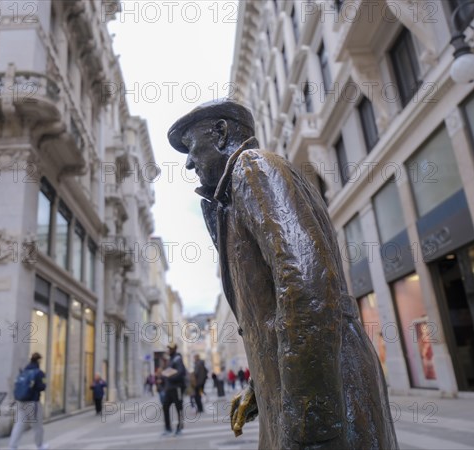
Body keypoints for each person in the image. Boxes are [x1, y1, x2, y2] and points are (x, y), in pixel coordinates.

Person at [168, 100, 398, 449]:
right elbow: (274, 312)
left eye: (190, 145)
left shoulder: (252, 168)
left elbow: (307, 285)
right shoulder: (237, 189)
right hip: (307, 390)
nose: (187, 162)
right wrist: (259, 387)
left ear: (220, 132)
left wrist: (309, 419)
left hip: (326, 398)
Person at [8, 352, 48, 450]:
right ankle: (40, 446)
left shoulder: (23, 371)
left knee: (19, 424)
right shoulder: (39, 372)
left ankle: (12, 447)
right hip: (33, 402)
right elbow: (42, 386)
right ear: (39, 361)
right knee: (37, 426)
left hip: (21, 401)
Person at [161, 343, 186, 436]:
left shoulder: (177, 359)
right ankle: (168, 428)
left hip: (176, 388)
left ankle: (179, 427)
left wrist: (169, 376)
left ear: (174, 349)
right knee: (165, 406)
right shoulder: (170, 360)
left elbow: (181, 372)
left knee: (178, 408)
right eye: (168, 348)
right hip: (169, 388)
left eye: (170, 349)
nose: (169, 350)